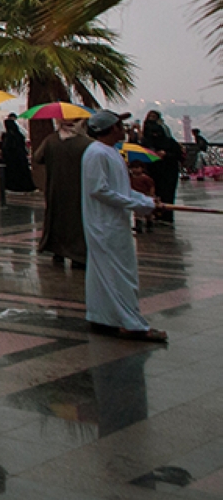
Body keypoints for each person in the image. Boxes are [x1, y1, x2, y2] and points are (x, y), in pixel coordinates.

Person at [80, 110, 164, 343]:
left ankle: (103, 317)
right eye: (120, 125)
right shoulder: (96, 153)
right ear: (111, 128)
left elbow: (121, 190)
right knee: (118, 275)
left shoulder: (111, 152)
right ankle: (131, 324)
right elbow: (100, 190)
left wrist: (146, 202)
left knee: (108, 273)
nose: (124, 129)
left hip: (114, 222)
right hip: (105, 224)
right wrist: (138, 205)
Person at [33, 119, 90, 268]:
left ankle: (57, 251)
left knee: (56, 219)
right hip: (78, 190)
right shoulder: (86, 143)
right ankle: (77, 255)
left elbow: (38, 157)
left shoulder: (50, 141)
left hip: (55, 188)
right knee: (76, 222)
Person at [139, 111, 183, 224]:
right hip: (153, 170)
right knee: (154, 193)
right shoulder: (146, 140)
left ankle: (166, 216)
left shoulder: (168, 140)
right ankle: (156, 216)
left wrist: (166, 154)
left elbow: (178, 154)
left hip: (168, 171)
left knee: (167, 194)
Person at [0, 115, 34, 202]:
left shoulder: (7, 136)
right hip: (19, 159)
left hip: (11, 160)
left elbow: (5, 147)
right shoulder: (18, 135)